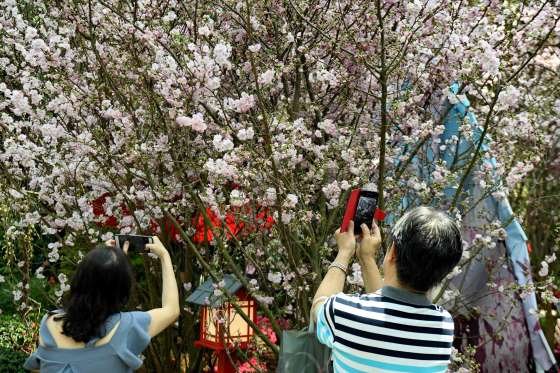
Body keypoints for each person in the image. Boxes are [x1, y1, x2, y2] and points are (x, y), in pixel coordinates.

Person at [312, 206, 463, 372]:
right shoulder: (442, 326)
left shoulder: (343, 313)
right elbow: (386, 315)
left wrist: (344, 252)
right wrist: (366, 258)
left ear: (393, 253)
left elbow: (319, 306)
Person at [24, 236, 180, 373]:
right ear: (121, 290)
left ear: (79, 279)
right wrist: (165, 256)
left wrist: (102, 261)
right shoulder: (127, 327)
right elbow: (171, 309)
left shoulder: (49, 323)